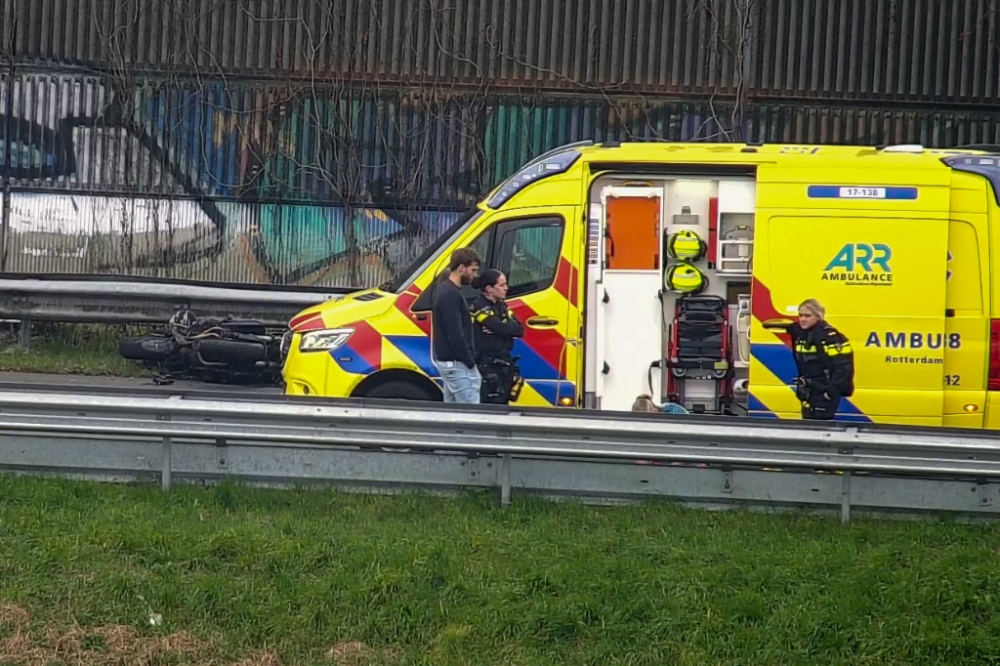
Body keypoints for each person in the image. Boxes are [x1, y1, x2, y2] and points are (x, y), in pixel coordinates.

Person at [779, 298, 855, 421]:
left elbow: (843, 367)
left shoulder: (830, 337)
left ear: (818, 316)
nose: (803, 319)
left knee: (820, 431)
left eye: (807, 316)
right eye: (800, 315)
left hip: (823, 392)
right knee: (808, 429)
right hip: (808, 391)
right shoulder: (802, 332)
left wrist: (830, 392)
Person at [431, 247, 482, 403]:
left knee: (452, 415)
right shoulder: (451, 294)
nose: (474, 275)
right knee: (471, 414)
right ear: (461, 268)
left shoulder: (444, 290)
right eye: (472, 270)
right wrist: (470, 362)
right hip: (457, 364)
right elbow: (455, 333)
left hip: (451, 363)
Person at [470, 269, 524, 404]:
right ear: (489, 289)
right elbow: (500, 328)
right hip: (486, 364)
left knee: (504, 402)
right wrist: (504, 327)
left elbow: (519, 329)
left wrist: (504, 328)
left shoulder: (502, 306)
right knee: (492, 404)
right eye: (501, 285)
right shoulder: (478, 306)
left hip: (504, 362)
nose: (506, 288)